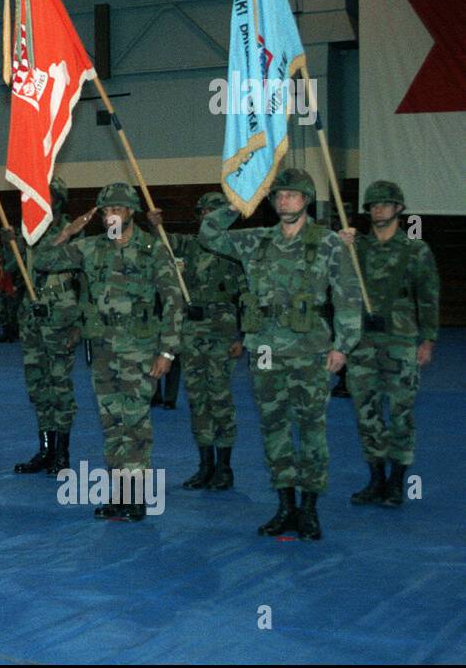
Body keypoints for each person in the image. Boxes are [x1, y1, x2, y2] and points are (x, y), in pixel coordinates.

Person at [200, 168, 361, 540]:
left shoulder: (327, 243)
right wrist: (239, 202)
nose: (285, 200)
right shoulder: (256, 240)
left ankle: (309, 509)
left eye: (293, 194)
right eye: (279, 195)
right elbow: (208, 235)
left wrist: (343, 346)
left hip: (310, 350)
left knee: (311, 429)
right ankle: (284, 504)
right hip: (266, 349)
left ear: (307, 200)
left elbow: (348, 296)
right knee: (273, 426)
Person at [35, 182, 183, 522]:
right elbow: (44, 260)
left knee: (135, 423)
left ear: (130, 211)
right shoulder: (90, 249)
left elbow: (174, 300)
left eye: (116, 209)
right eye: (104, 211)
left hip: (141, 350)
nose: (109, 216)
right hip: (103, 349)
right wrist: (69, 231)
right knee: (112, 423)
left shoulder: (151, 249)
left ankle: (137, 497)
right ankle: (119, 494)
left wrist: (168, 351)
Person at [339, 181, 439, 508]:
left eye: (385, 204)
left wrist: (428, 339)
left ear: (398, 208)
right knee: (366, 413)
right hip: (363, 343)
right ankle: (376, 479)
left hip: (401, 342)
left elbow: (428, 297)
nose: (378, 209)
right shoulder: (356, 249)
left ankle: (397, 482)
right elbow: (337, 287)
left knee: (400, 412)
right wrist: (341, 249)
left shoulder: (415, 250)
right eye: (373, 205)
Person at [149, 192, 247, 490]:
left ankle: (225, 467)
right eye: (202, 211)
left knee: (220, 398)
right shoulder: (191, 245)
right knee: (197, 400)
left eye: (212, 211)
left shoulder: (234, 248)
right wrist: (155, 225)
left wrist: (243, 336)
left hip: (222, 332)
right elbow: (163, 243)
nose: (206, 215)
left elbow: (246, 296)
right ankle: (205, 465)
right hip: (192, 331)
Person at [8, 177, 82, 478]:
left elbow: (87, 279)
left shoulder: (74, 231)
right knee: (38, 387)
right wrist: (9, 244)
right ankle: (46, 448)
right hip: (32, 316)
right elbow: (16, 273)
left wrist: (80, 324)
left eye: (48, 198)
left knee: (60, 386)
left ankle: (62, 453)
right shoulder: (29, 231)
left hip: (60, 314)